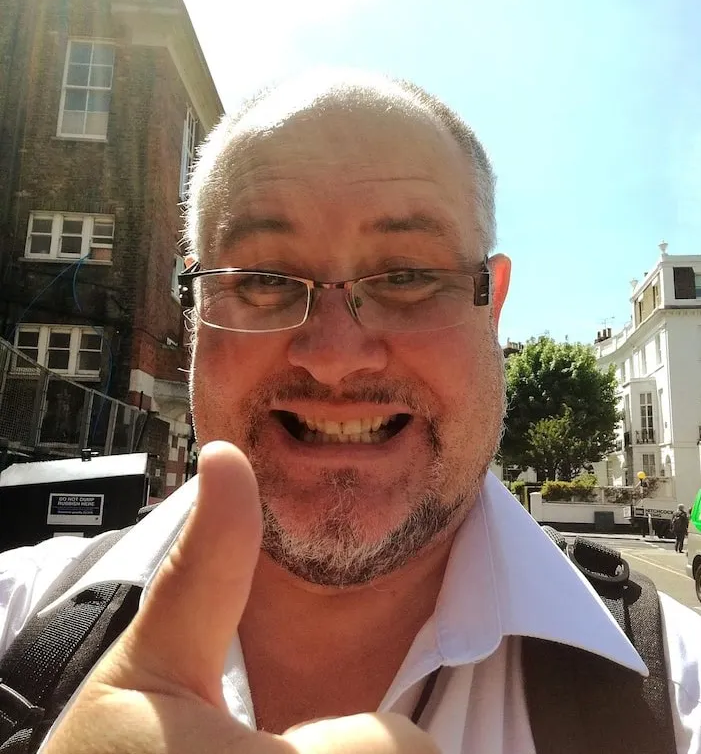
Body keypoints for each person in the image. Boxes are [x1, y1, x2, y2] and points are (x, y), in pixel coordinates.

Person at [1, 71, 700, 753]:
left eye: (407, 275)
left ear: (493, 306)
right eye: (265, 279)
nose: (334, 356)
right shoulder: (15, 620)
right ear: (196, 313)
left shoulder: (678, 694)